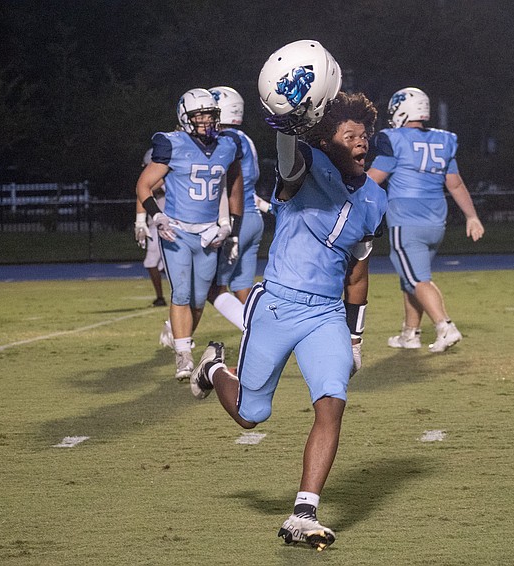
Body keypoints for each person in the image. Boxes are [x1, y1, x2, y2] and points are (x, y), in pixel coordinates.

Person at [189, 40, 387, 550]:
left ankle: (303, 513)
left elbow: (358, 272)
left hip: (325, 315)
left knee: (332, 404)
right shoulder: (309, 163)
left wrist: (356, 336)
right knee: (253, 415)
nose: (360, 142)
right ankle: (213, 368)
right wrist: (287, 124)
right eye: (349, 135)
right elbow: (290, 161)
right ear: (328, 138)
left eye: (364, 135)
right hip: (277, 304)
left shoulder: (374, 197)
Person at [136, 88, 244, 380]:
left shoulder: (229, 145)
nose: (206, 121)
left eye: (210, 115)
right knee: (181, 293)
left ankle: (180, 339)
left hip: (210, 234)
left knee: (198, 299)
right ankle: (183, 355)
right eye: (199, 116)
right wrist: (155, 216)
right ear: (185, 118)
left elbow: (233, 184)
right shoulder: (171, 144)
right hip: (178, 231)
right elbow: (144, 185)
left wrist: (230, 226)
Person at [366, 87, 484, 352]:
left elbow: (374, 178)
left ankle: (445, 326)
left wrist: (343, 192)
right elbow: (455, 184)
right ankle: (410, 334)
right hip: (435, 222)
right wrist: (471, 216)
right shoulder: (442, 141)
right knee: (413, 279)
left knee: (418, 280)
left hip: (407, 221)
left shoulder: (394, 139)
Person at [205, 86, 265, 330]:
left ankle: (258, 333)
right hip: (254, 217)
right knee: (242, 286)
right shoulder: (245, 138)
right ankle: (263, 328)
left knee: (213, 289)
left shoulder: (226, 140)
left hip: (235, 218)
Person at [133, 149, 167, 308]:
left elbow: (146, 189)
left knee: (151, 262)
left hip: (163, 226)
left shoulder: (167, 177)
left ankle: (161, 297)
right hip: (159, 225)